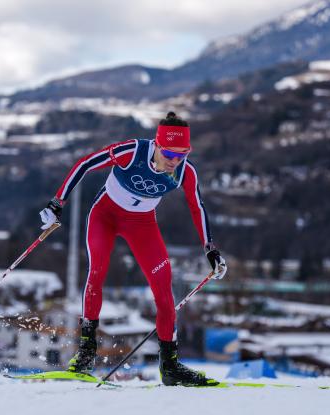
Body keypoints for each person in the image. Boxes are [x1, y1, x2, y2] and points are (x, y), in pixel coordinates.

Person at [39, 112, 227, 386]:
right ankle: (86, 354)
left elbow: (197, 207)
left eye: (182, 154)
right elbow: (86, 163)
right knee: (97, 273)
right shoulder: (133, 152)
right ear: (158, 145)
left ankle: (170, 366)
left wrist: (211, 250)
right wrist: (58, 202)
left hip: (142, 225)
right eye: (170, 154)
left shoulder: (186, 172)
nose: (175, 161)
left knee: (164, 289)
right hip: (105, 216)